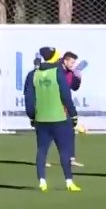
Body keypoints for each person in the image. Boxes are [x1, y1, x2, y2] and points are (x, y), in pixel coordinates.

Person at [24, 47, 81, 192]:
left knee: (42, 150)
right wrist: (73, 115)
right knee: (64, 151)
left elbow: (29, 99)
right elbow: (66, 95)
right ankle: (69, 181)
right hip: (59, 118)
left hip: (41, 119)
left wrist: (32, 116)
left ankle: (42, 181)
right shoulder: (58, 72)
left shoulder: (32, 74)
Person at [61, 51, 85, 167]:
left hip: (65, 106)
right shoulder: (56, 71)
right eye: (71, 62)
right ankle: (42, 159)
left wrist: (78, 79)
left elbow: (74, 88)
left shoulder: (71, 73)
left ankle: (71, 158)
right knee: (50, 133)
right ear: (65, 61)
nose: (73, 65)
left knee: (70, 131)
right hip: (55, 105)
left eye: (74, 63)